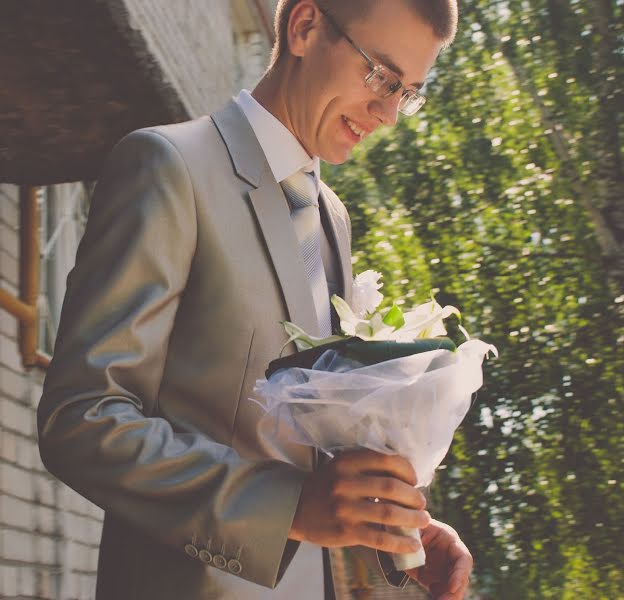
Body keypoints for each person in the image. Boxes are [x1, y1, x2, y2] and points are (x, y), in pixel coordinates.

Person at [37, 1, 472, 598]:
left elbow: (307, 451)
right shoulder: (170, 167)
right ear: (304, 26)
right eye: (381, 76)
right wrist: (286, 509)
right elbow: (82, 418)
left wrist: (397, 530)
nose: (389, 113)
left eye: (409, 92)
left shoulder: (332, 220)